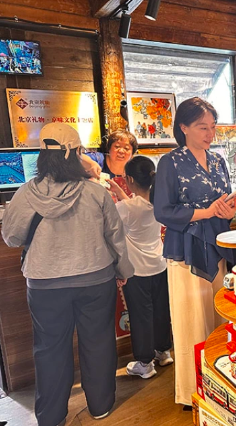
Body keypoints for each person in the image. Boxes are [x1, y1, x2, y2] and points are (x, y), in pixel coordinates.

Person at [1, 123, 134, 425]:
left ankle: (51, 417)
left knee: (49, 349)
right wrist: (123, 270)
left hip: (44, 284)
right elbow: (115, 237)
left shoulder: (24, 194)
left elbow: (11, 237)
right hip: (96, 279)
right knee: (98, 342)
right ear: (76, 154)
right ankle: (100, 405)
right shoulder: (95, 192)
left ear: (42, 155)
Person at [154, 97, 236, 408]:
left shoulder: (218, 160)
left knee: (220, 315)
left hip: (218, 243)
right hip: (186, 250)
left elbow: (224, 202)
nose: (210, 134)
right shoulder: (170, 162)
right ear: (184, 127)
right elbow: (163, 211)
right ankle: (193, 391)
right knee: (191, 320)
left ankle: (222, 385)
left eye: (213, 127)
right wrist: (206, 212)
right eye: (203, 127)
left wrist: (229, 209)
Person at [108, 156, 173, 380]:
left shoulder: (124, 208)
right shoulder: (159, 202)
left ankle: (145, 363)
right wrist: (120, 191)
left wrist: (118, 195)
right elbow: (136, 207)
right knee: (161, 310)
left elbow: (116, 222)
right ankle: (163, 352)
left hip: (137, 271)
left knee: (141, 315)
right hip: (160, 265)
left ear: (130, 179)